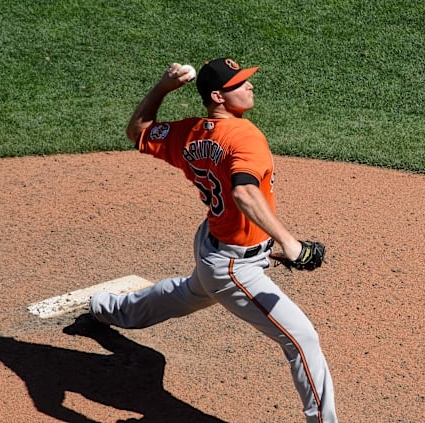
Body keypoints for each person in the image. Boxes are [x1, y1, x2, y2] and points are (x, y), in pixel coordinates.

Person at [87, 58, 338, 423]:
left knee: (189, 293)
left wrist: (162, 87)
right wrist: (290, 243)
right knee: (302, 340)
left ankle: (104, 307)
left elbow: (138, 131)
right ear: (219, 96)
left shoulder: (191, 132)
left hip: (214, 244)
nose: (250, 86)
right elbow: (244, 194)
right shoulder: (244, 136)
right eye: (240, 84)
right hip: (234, 266)